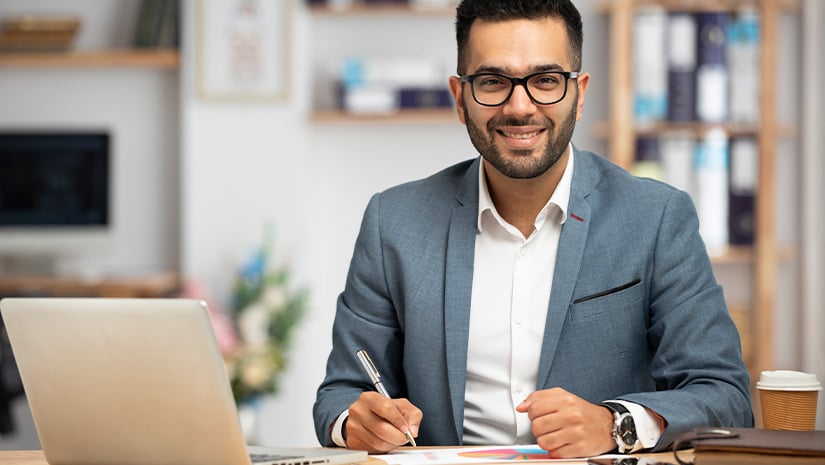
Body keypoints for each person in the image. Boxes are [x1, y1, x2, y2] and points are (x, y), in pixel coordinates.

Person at [313, 0, 753, 459]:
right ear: (460, 98)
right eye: (492, 81)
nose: (519, 107)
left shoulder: (656, 218)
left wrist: (615, 424)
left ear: (579, 94)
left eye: (545, 80)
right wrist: (356, 422)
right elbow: (339, 396)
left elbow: (725, 397)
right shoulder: (393, 222)